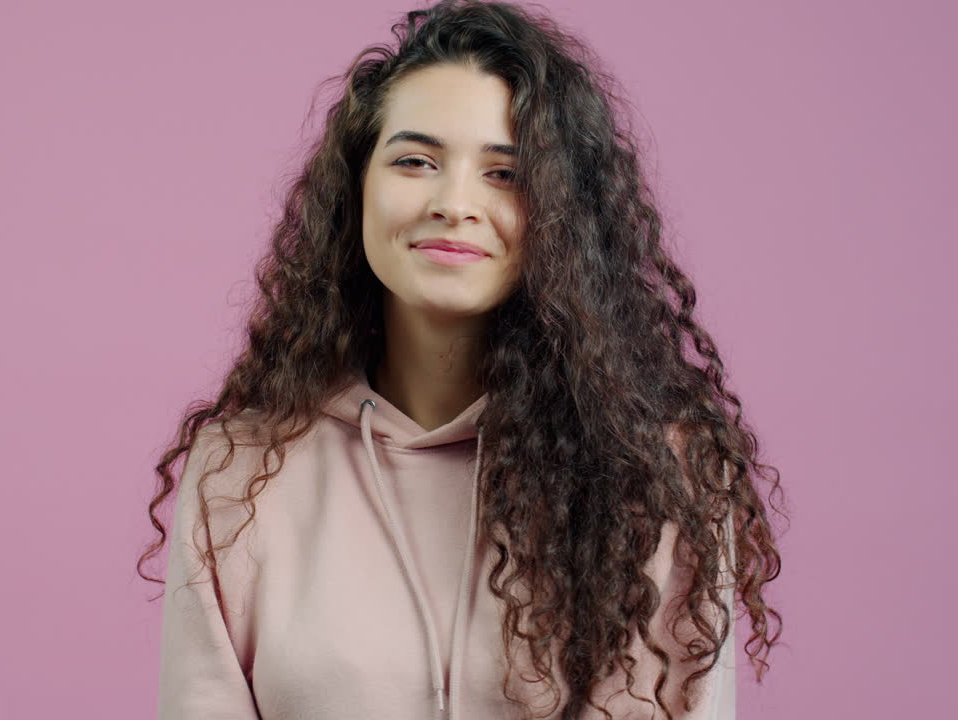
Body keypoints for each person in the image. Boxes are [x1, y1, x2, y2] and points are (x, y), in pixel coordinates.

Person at [138, 1, 785, 718]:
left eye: (505, 174)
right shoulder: (239, 469)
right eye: (415, 161)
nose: (455, 202)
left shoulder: (662, 474)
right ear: (355, 191)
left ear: (562, 216)